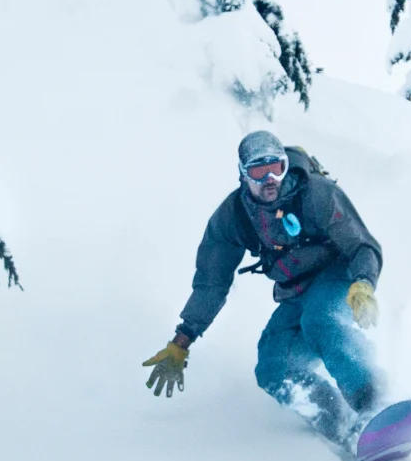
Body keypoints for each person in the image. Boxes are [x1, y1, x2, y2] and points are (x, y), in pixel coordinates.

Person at [142, 129, 385, 444]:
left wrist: (364, 283)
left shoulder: (316, 194)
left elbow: (362, 245)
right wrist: (181, 341)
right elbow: (211, 283)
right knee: (273, 369)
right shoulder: (233, 218)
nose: (270, 178)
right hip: (294, 292)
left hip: (336, 277)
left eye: (277, 167)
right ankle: (337, 422)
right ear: (244, 175)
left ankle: (374, 403)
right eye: (259, 171)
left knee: (321, 321)